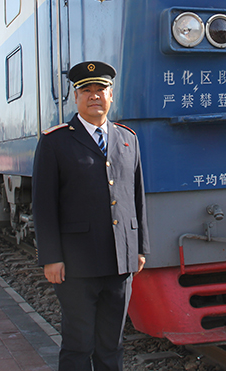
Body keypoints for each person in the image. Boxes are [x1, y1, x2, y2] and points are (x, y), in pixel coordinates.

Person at [32, 61, 149, 371]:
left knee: (112, 345)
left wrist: (140, 248)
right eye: (87, 90)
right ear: (75, 97)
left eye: (101, 90)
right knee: (78, 344)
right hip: (76, 265)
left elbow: (137, 197)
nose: (94, 96)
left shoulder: (128, 139)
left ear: (112, 95)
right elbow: (43, 204)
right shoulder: (55, 141)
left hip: (119, 262)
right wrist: (51, 257)